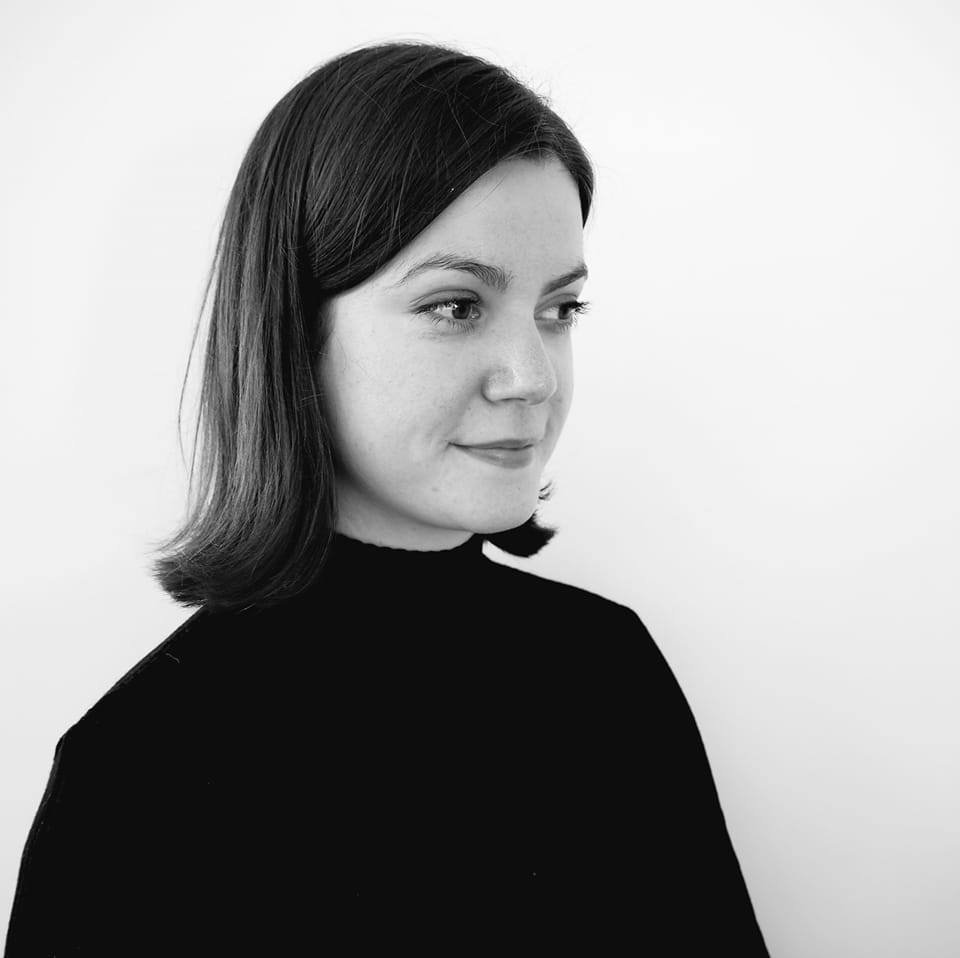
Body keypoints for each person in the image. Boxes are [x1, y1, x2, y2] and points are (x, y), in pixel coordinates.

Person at [4, 40, 770, 955]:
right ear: (296, 326)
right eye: (455, 306)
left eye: (559, 310)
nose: (531, 377)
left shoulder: (608, 670)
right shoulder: (144, 772)